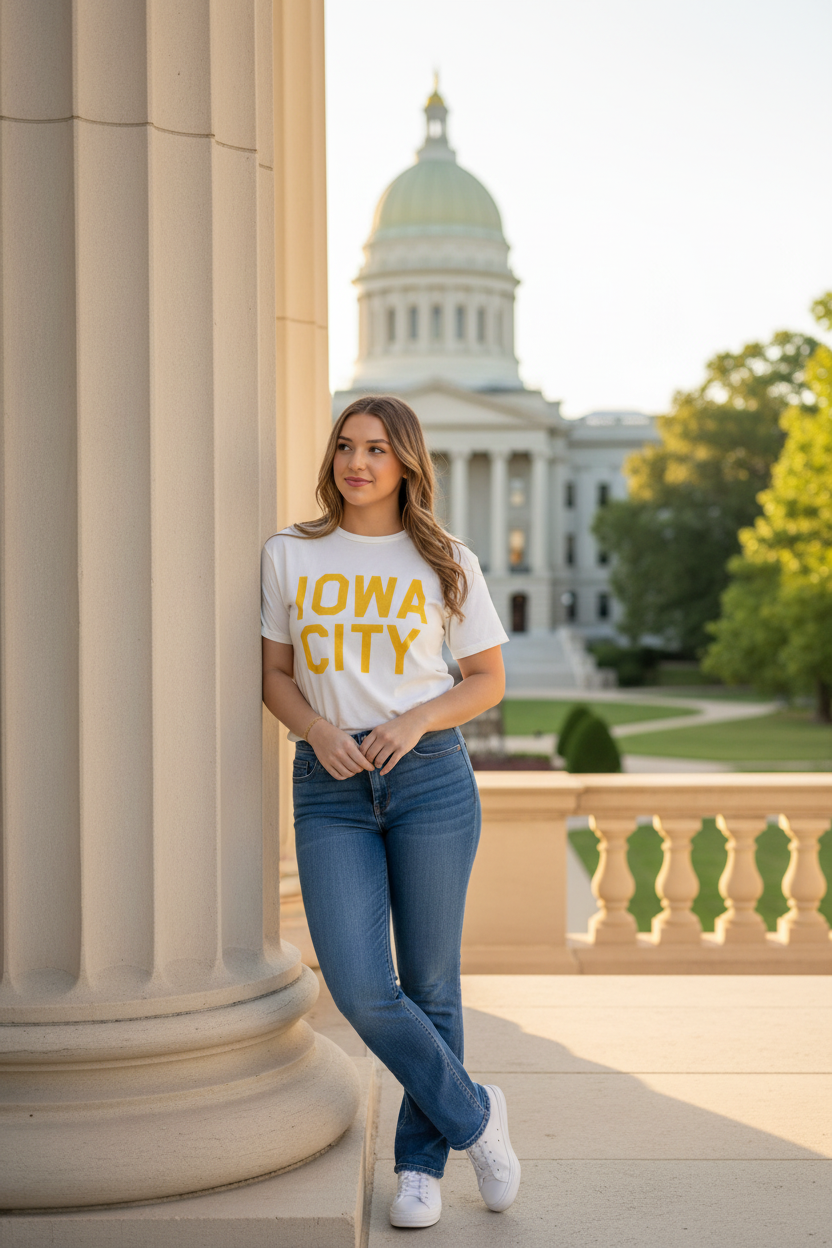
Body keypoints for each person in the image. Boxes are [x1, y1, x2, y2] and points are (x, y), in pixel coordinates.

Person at [261, 394, 520, 1229]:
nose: (357, 462)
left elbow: (486, 677)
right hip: (330, 783)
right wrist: (314, 728)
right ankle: (475, 1114)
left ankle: (420, 1166)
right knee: (361, 985)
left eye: (376, 448)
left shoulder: (446, 559)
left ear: (407, 461)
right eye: (345, 446)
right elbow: (275, 675)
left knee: (434, 982)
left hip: (429, 777)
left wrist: (413, 719)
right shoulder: (290, 555)